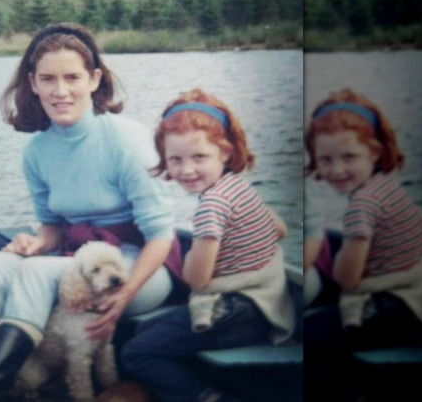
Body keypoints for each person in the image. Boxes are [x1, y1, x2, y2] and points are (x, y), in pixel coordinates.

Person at [0, 23, 180, 402]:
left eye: (72, 77)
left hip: (140, 268)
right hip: (79, 262)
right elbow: (53, 229)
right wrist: (36, 241)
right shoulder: (37, 151)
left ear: (94, 79)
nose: (61, 91)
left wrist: (123, 298)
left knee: (38, 271)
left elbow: (161, 236)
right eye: (48, 79)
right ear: (33, 83)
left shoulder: (126, 138)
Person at [119, 88, 295, 402]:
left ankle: (209, 397)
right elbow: (279, 230)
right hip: (262, 305)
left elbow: (196, 279)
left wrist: (199, 250)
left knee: (136, 352)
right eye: (175, 159)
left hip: (235, 313)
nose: (186, 170)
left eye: (199, 157)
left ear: (225, 153)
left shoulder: (212, 207)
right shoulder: (238, 187)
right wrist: (240, 249)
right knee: (144, 332)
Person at [303, 89, 422, 400]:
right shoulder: (388, 187)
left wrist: (353, 251)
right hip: (418, 302)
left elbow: (347, 279)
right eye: (325, 159)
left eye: (349, 157)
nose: (336, 170)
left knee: (304, 342)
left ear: (375, 153)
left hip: (396, 312)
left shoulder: (361, 207)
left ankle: (357, 392)